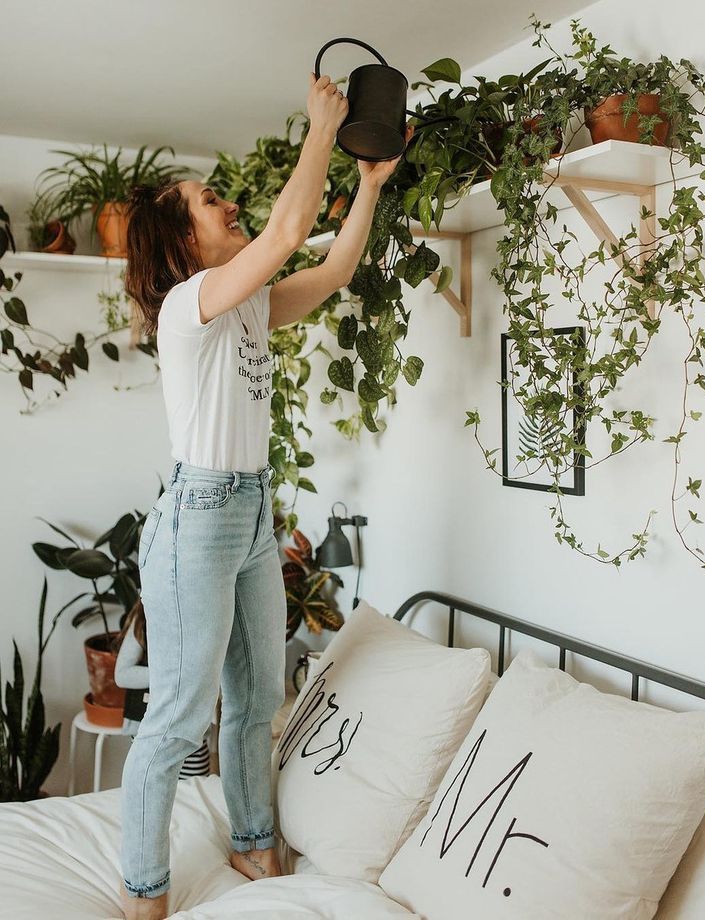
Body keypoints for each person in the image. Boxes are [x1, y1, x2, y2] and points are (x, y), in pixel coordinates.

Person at [119, 69, 413, 920]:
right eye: (210, 201)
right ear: (181, 241)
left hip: (250, 511)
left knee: (259, 699)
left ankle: (252, 840)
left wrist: (366, 185)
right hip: (198, 518)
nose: (227, 206)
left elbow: (332, 270)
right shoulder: (188, 306)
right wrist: (322, 129)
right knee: (178, 716)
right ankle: (143, 891)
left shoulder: (246, 309)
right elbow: (287, 230)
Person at [114, 600, 211, 778]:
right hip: (149, 731)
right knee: (147, 788)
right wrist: (172, 675)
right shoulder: (143, 617)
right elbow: (122, 675)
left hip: (192, 731)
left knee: (193, 794)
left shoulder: (204, 613)